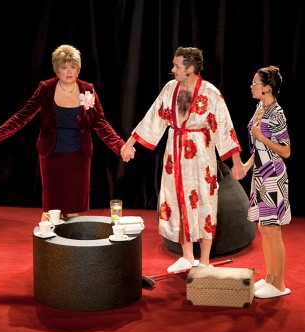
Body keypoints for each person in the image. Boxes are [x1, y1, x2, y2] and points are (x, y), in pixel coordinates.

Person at [121, 46, 245, 273]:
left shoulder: (210, 93)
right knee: (177, 200)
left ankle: (204, 260)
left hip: (200, 156)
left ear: (190, 68)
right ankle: (187, 256)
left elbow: (225, 128)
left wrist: (236, 162)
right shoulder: (170, 88)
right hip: (175, 153)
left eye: (177, 66)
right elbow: (153, 117)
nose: (173, 69)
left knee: (204, 202)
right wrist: (130, 143)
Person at [0, 44, 131, 221]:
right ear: (57, 70)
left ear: (78, 69)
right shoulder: (46, 88)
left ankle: (70, 236)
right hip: (51, 156)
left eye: (73, 66)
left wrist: (121, 146)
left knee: (73, 208)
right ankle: (49, 235)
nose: (69, 71)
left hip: (79, 157)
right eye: (64, 67)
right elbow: (23, 115)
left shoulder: (87, 89)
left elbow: (100, 123)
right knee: (52, 210)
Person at [239, 65, 291, 298]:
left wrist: (261, 136)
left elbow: (286, 150)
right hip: (260, 173)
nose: (251, 86)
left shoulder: (277, 113)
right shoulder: (260, 107)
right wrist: (246, 165)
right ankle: (270, 277)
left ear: (267, 88)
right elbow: (257, 146)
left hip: (273, 175)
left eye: (255, 83)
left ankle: (279, 284)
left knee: (272, 229)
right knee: (264, 227)